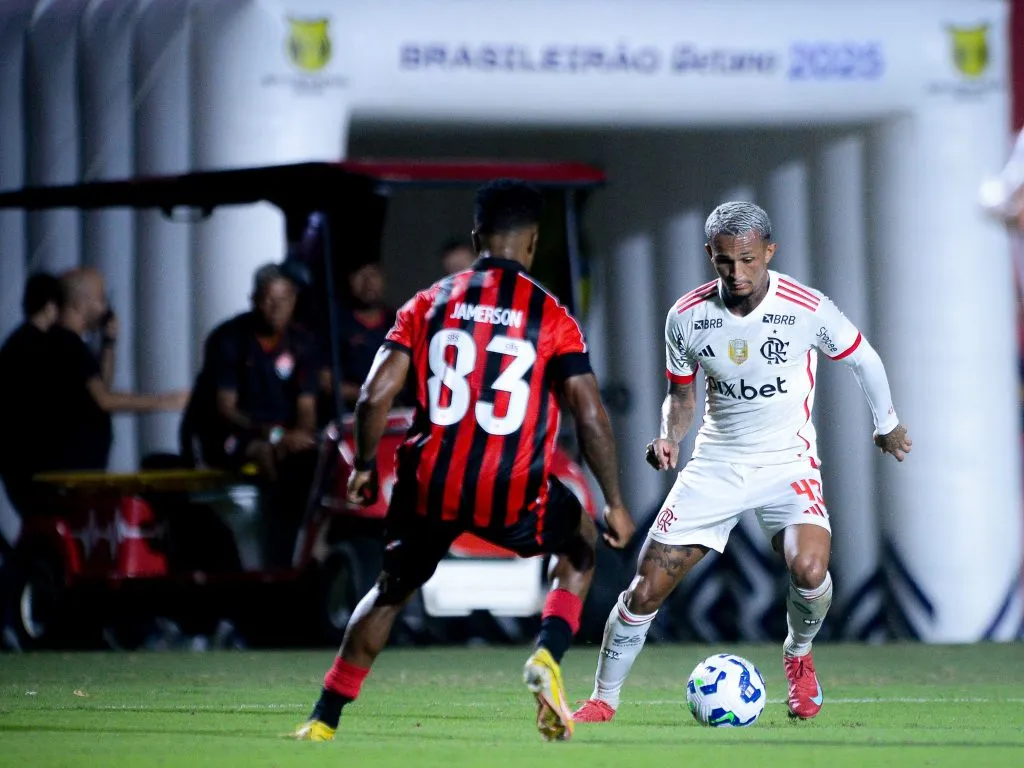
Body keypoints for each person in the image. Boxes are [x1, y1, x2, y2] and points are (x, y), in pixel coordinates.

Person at [292, 180, 635, 743]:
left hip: (429, 485)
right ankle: (547, 655)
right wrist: (615, 503)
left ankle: (323, 719)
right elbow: (590, 414)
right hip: (512, 488)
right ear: (532, 243)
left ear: (478, 237)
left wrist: (362, 467)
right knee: (580, 540)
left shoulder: (428, 303)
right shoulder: (551, 315)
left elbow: (374, 396)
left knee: (389, 591)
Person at [572, 201, 912, 724]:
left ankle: (798, 653)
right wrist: (669, 437)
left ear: (769, 252)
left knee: (810, 570)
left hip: (787, 463)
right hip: (717, 464)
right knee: (644, 590)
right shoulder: (687, 316)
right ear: (710, 254)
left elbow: (863, 357)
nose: (737, 273)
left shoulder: (806, 307)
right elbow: (681, 396)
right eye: (725, 261)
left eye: (748, 260)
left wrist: (886, 423)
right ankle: (603, 699)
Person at [34, 267, 187, 473]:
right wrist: (168, 401)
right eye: (101, 299)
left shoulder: (67, 343)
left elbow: (100, 386)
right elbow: (104, 400)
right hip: (71, 469)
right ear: (80, 304)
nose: (105, 308)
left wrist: (109, 343)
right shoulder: (67, 344)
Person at [0, 273, 62, 511]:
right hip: (37, 461)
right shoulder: (44, 347)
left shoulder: (13, 344)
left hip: (14, 459)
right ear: (50, 306)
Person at [336, 262, 398, 410]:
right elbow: (328, 382)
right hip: (352, 413)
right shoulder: (336, 325)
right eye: (361, 275)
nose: (368, 282)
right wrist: (368, 395)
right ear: (350, 281)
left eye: (373, 274)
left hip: (398, 411)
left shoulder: (399, 321)